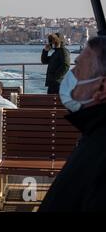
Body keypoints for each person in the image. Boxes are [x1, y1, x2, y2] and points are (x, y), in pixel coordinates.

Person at [39, 36, 106, 212]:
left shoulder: (99, 149)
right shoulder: (92, 133)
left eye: (78, 69)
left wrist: (57, 77)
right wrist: (46, 50)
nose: (73, 75)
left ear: (101, 88)